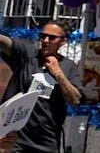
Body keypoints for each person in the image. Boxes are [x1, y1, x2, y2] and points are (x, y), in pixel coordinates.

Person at [0, 20, 82, 153]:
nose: (45, 40)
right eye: (43, 36)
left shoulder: (68, 66)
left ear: (63, 41)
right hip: (16, 139)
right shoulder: (27, 55)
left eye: (52, 38)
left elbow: (75, 99)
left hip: (46, 140)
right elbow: (6, 43)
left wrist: (58, 74)